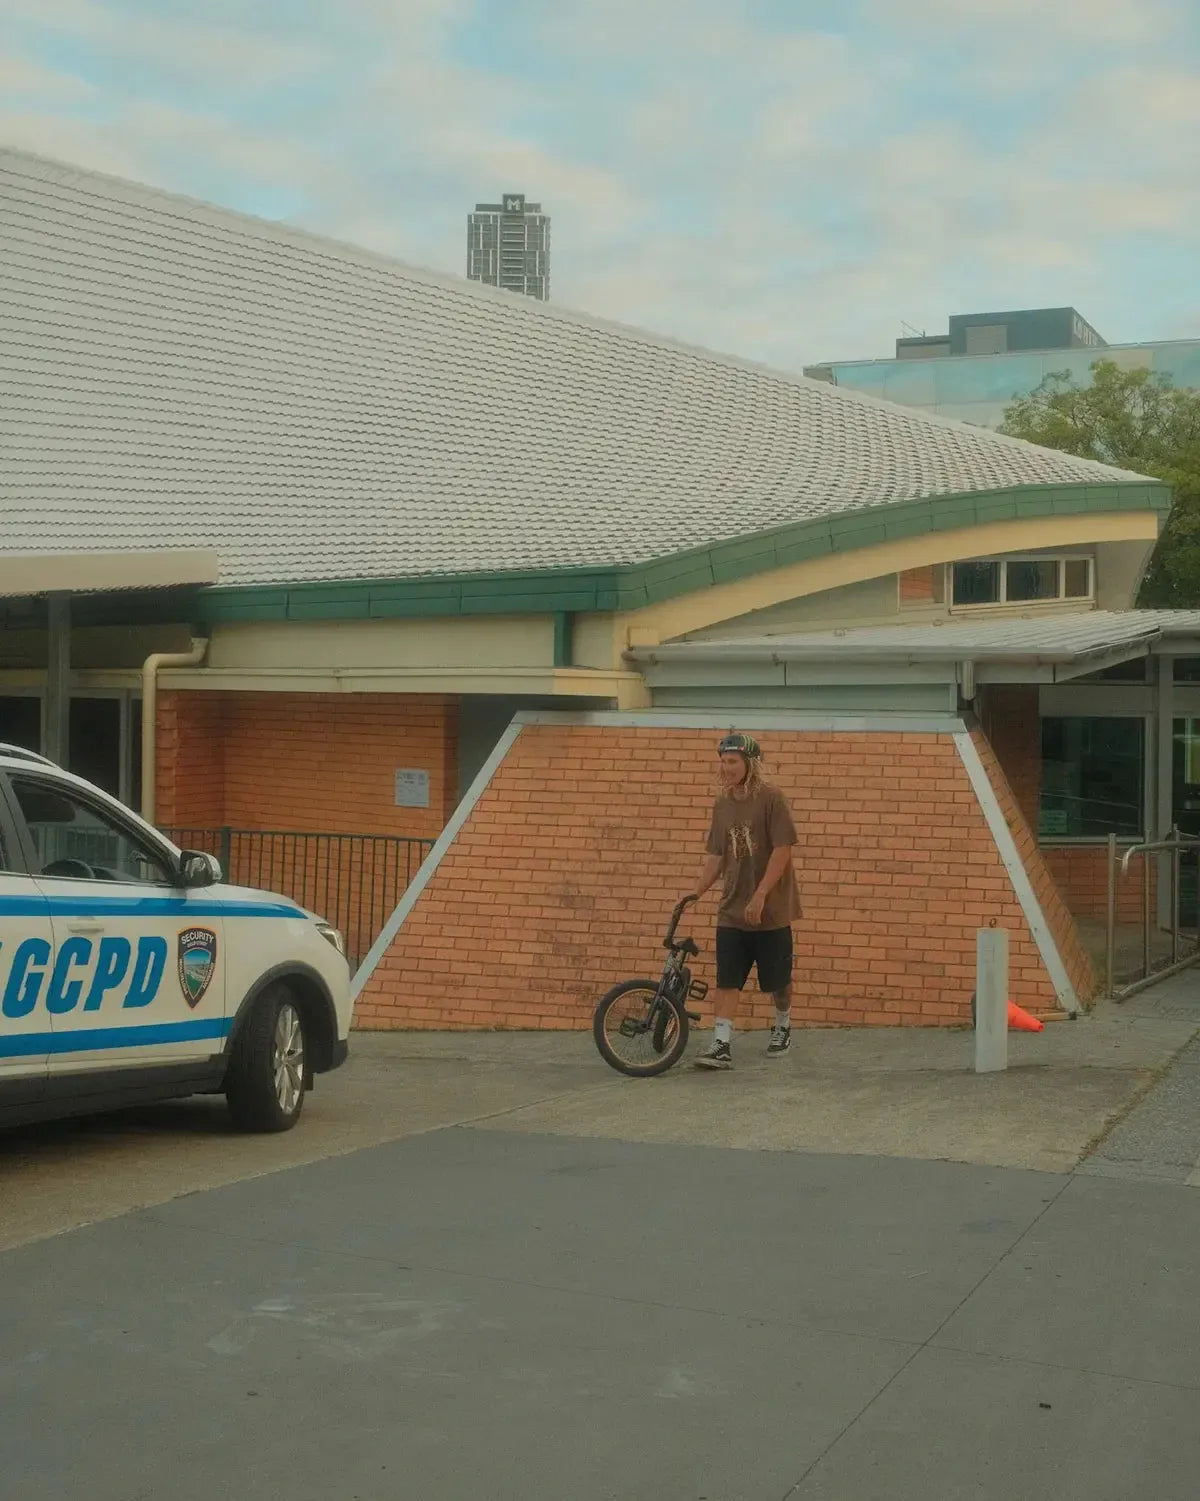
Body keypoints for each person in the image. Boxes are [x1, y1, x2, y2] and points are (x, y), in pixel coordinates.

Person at [687, 732, 801, 1070]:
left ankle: (782, 1023)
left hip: (772, 910)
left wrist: (761, 894)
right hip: (732, 909)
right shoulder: (722, 804)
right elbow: (717, 856)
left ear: (750, 764)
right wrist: (698, 891)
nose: (726, 768)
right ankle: (721, 1042)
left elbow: (782, 850)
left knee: (777, 983)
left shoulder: (771, 798)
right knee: (728, 978)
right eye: (723, 762)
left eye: (732, 762)